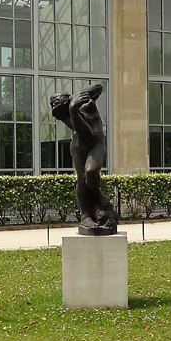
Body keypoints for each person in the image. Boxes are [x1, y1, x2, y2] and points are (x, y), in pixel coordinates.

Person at [50, 83, 117, 235]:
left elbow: (99, 87)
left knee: (91, 171)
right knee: (82, 180)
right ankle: (86, 215)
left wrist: (81, 95)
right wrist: (73, 111)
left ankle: (99, 198)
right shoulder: (68, 114)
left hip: (96, 144)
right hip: (80, 145)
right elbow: (85, 132)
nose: (62, 116)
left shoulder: (79, 102)